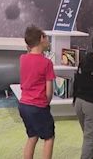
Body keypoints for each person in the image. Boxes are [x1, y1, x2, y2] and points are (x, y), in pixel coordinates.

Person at [19, 25, 55, 159]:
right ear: (41, 39)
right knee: (49, 138)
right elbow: (49, 91)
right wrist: (46, 103)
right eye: (46, 37)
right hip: (39, 106)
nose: (47, 39)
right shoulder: (47, 63)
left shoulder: (23, 58)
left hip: (23, 105)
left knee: (32, 136)